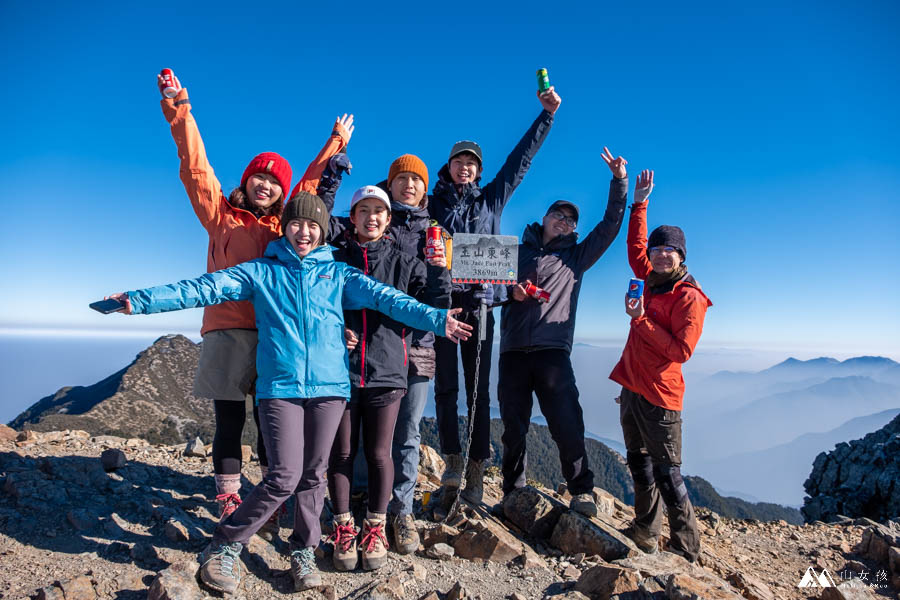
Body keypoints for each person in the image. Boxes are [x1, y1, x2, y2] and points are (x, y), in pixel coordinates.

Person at [105, 192, 473, 593]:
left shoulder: (338, 275)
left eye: (314, 225)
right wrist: (136, 301)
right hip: (279, 387)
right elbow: (201, 288)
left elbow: (390, 300)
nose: (305, 232)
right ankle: (227, 543)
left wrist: (437, 320)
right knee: (283, 476)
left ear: (321, 231)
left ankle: (304, 548)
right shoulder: (262, 271)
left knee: (314, 475)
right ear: (285, 226)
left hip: (331, 390)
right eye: (297, 223)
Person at [156, 69, 353, 533]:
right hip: (225, 329)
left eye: (274, 181)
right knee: (228, 419)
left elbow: (310, 186)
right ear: (247, 180)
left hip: (274, 332)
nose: (266, 184)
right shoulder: (220, 214)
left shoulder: (281, 230)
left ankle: (272, 494)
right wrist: (178, 107)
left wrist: (333, 146)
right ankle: (228, 496)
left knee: (271, 422)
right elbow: (195, 165)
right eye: (259, 176)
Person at [429, 85, 562, 503]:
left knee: (478, 393)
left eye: (471, 163)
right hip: (444, 306)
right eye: (458, 161)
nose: (465, 167)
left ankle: (474, 469)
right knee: (447, 388)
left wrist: (546, 117)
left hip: (482, 308)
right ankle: (452, 460)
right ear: (447, 167)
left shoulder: (492, 200)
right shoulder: (432, 206)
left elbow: (519, 162)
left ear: (479, 170)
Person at [499, 147, 628, 517]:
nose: (564, 222)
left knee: (566, 421)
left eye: (571, 220)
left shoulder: (576, 258)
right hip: (511, 351)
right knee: (513, 427)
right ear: (544, 218)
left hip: (552, 350)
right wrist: (510, 292)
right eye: (558, 214)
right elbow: (483, 288)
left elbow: (609, 226)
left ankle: (581, 490)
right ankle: (513, 490)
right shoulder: (514, 253)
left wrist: (619, 182)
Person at [326, 184, 449, 571]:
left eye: (379, 211)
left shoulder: (404, 263)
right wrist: (336, 329)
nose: (372, 217)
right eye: (364, 211)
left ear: (388, 219)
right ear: (353, 217)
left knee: (380, 454)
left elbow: (433, 305)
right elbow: (317, 306)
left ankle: (375, 528)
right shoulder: (333, 259)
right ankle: (344, 527)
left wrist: (439, 268)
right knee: (342, 453)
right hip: (339, 373)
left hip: (387, 372)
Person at [608, 169, 712, 562]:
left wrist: (640, 320)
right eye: (657, 250)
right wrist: (640, 202)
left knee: (668, 475)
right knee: (639, 465)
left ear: (681, 255)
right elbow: (635, 244)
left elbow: (681, 351)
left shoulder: (690, 298)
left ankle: (686, 549)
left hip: (662, 397)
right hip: (632, 389)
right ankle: (646, 531)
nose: (660, 254)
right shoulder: (649, 278)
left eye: (669, 250)